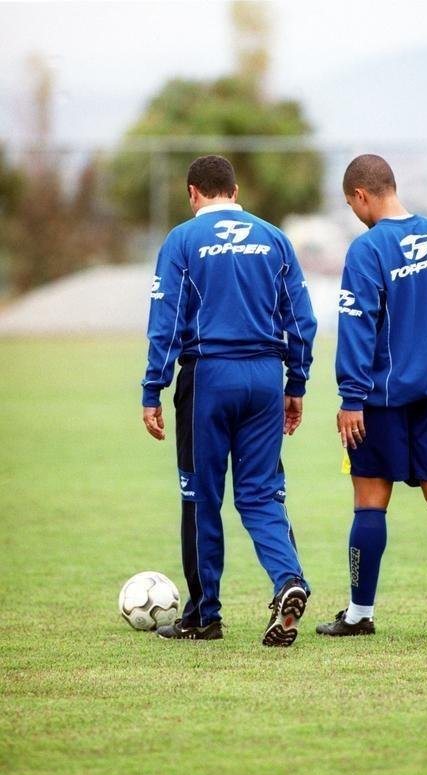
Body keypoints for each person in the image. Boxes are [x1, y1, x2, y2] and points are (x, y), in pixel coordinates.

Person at [316, 154, 427, 641]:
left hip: (379, 402)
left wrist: (350, 397)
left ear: (360, 195)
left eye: (351, 203)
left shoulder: (368, 249)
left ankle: (359, 613)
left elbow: (356, 327)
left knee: (370, 502)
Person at [141, 155, 317, 647]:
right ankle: (288, 580)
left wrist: (152, 388)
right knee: (260, 494)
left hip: (208, 380)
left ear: (193, 193)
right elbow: (303, 320)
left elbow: (166, 323)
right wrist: (295, 385)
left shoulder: (182, 240)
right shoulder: (274, 238)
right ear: (235, 192)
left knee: (200, 499)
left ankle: (204, 617)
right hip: (264, 378)